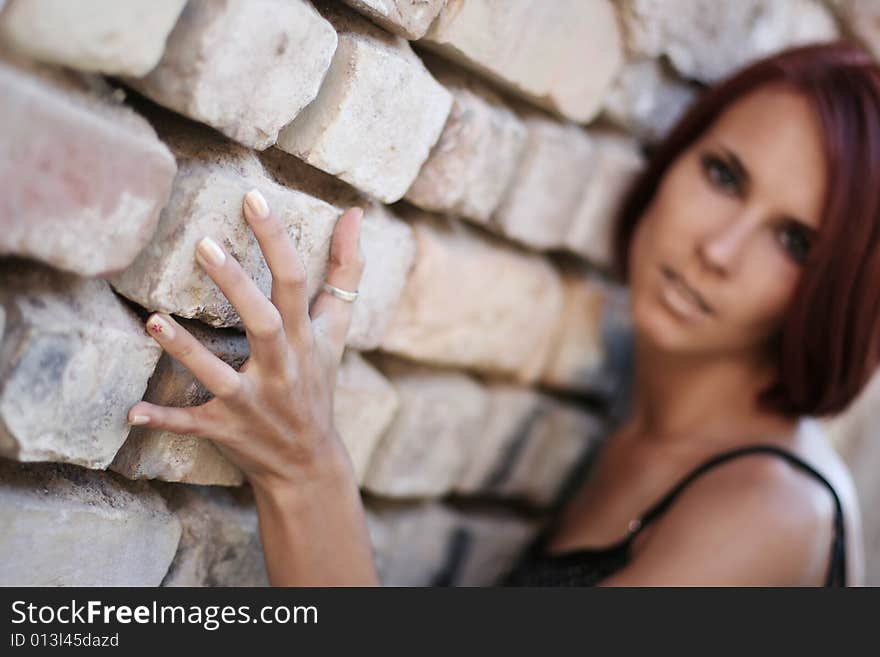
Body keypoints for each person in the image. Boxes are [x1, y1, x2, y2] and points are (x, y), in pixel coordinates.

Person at [126, 41, 878, 587]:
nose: (719, 248)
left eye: (794, 241)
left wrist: (303, 464)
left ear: (848, 288)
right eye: (723, 173)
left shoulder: (770, 513)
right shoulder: (654, 428)